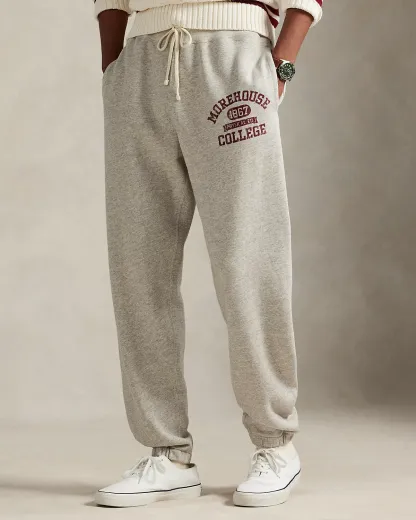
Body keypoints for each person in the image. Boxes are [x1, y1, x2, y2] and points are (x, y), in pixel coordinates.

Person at [93, 0, 322, 509]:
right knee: (138, 264)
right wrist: (113, 67)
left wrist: (281, 64)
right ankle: (167, 454)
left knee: (248, 258)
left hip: (233, 58)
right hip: (140, 61)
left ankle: (275, 444)